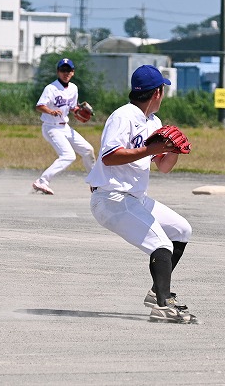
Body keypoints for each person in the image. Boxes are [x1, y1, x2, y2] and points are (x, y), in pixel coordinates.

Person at [86, 65, 196, 323]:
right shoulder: (123, 116)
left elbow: (164, 167)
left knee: (181, 230)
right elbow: (109, 156)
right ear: (157, 92)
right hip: (111, 198)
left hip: (135, 198)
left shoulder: (154, 122)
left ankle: (157, 291)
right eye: (163, 90)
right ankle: (163, 304)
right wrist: (150, 150)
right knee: (161, 245)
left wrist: (173, 151)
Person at [32, 58, 96, 195]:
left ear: (73, 72)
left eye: (68, 70)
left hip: (65, 127)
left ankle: (95, 183)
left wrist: (78, 111)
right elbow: (39, 106)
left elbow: (72, 107)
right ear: (58, 72)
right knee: (68, 155)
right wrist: (51, 111)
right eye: (63, 70)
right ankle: (42, 181)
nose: (65, 73)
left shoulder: (73, 88)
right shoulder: (51, 88)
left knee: (88, 150)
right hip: (51, 127)